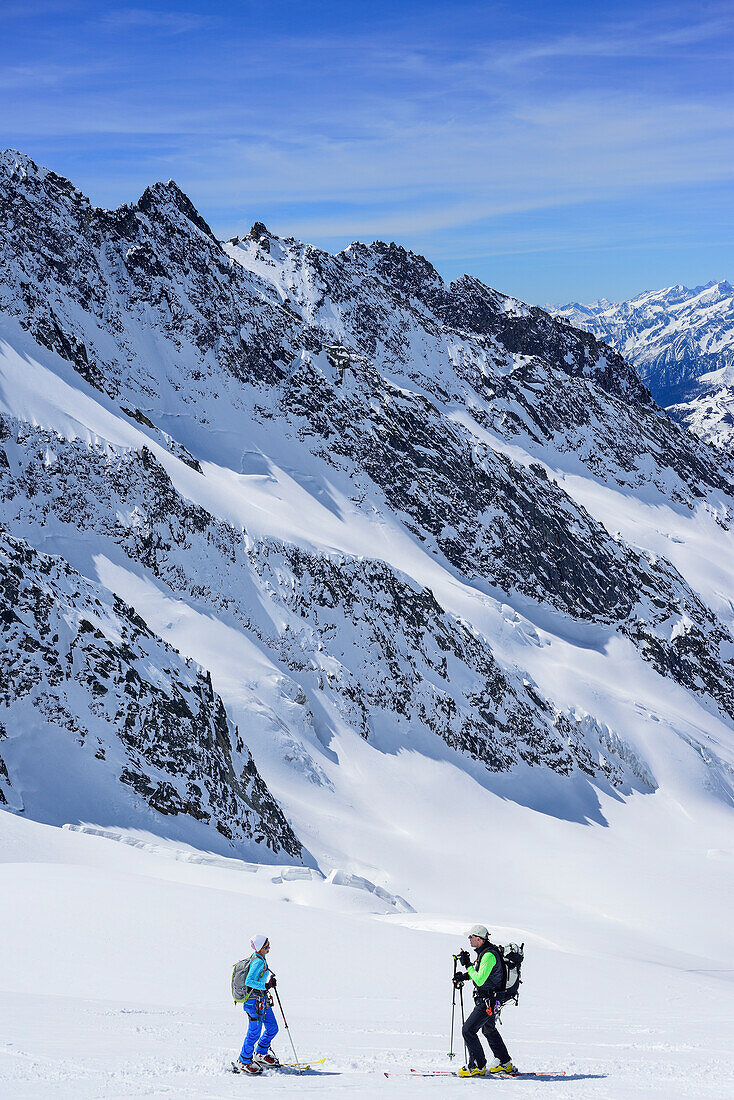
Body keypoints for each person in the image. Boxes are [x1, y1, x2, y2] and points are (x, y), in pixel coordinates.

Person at [453, 924, 516, 1078]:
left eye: (471, 937)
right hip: (490, 999)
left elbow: (480, 980)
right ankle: (504, 1063)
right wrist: (464, 976)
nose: (469, 939)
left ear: (479, 939)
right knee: (488, 1029)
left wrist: (467, 964)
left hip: (488, 1000)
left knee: (468, 1030)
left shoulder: (488, 955)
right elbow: (481, 973)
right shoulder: (485, 953)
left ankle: (478, 1066)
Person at [234, 934, 280, 1075]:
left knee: (272, 1028)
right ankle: (244, 1061)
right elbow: (249, 981)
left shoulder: (259, 958)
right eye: (266, 946)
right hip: (253, 1002)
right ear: (260, 948)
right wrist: (266, 985)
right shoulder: (258, 962)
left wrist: (265, 987)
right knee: (254, 1033)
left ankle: (260, 1054)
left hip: (261, 1001)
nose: (269, 948)